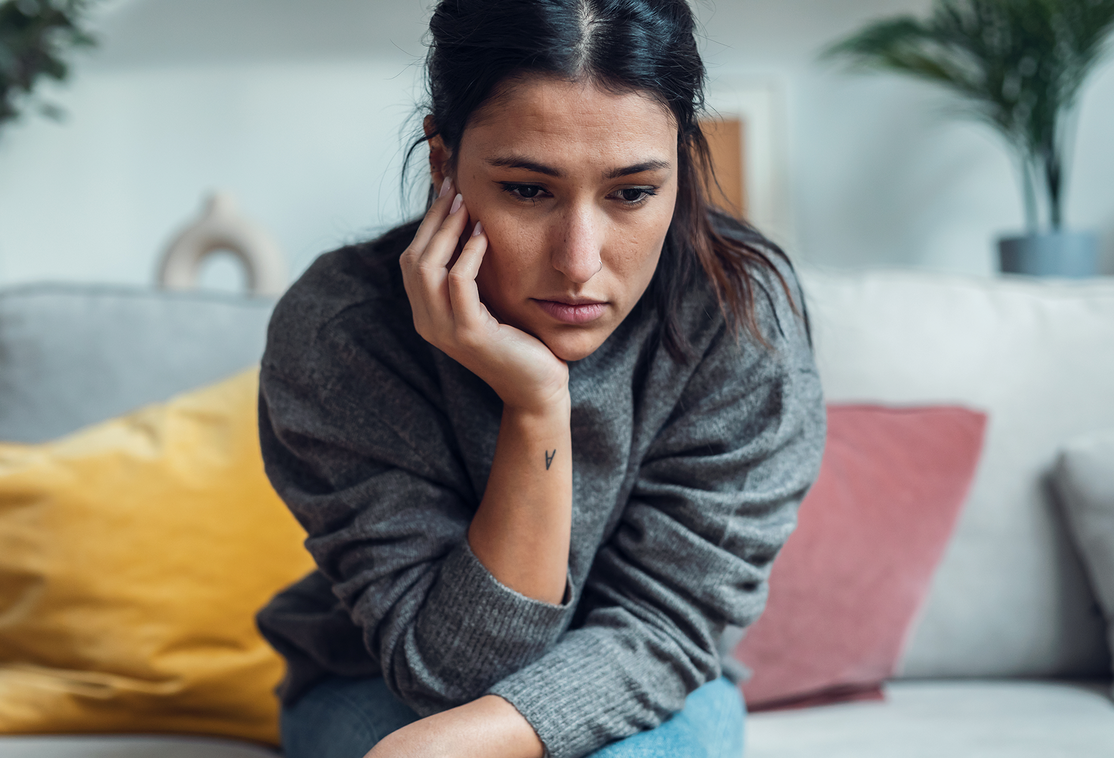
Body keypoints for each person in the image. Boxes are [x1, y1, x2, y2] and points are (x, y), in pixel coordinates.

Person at [255, 1, 826, 757]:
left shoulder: (740, 318)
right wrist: (535, 408)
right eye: (528, 190)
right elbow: (447, 674)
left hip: (645, 673)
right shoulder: (342, 332)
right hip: (376, 682)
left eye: (631, 193)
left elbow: (662, 631)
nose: (579, 261)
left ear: (679, 167)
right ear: (443, 162)